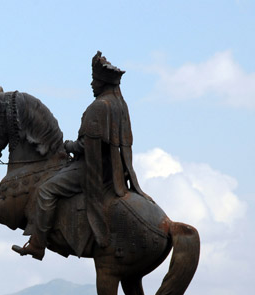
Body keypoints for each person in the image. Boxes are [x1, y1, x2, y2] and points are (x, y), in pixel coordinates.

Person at [12, 51, 152, 260]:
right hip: (113, 170)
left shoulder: (98, 107)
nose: (91, 85)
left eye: (94, 81)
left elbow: (86, 145)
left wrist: (69, 145)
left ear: (103, 83)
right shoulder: (120, 106)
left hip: (90, 169)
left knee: (45, 190)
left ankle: (38, 244)